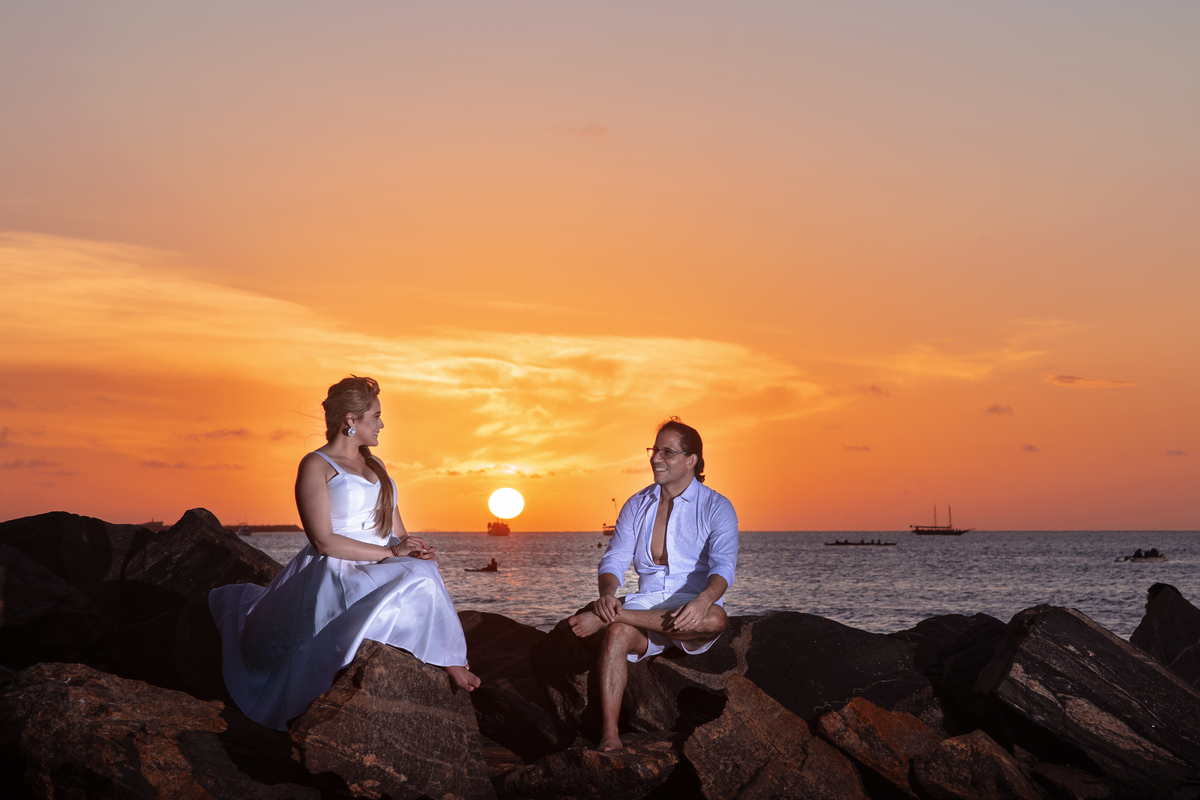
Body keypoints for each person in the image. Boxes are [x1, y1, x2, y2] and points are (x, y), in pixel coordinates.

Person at [208, 376, 479, 731]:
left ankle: (445, 657)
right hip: (338, 565)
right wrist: (393, 552)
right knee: (417, 576)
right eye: (376, 416)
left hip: (381, 558)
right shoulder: (316, 465)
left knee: (423, 570)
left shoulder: (377, 467)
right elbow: (323, 541)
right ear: (351, 420)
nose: (382, 423)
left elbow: (398, 531)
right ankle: (449, 659)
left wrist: (414, 548)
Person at [566, 417, 738, 752]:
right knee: (617, 636)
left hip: (689, 606)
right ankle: (610, 734)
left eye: (667, 452)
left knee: (716, 618)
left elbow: (723, 568)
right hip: (645, 603)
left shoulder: (717, 507)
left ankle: (612, 617)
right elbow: (614, 558)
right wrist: (607, 595)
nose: (655, 458)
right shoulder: (637, 504)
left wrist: (703, 601)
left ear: (692, 460)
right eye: (654, 450)